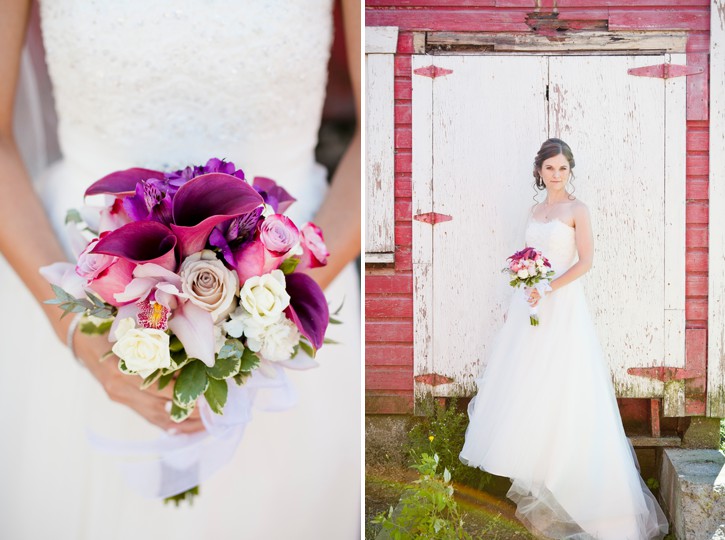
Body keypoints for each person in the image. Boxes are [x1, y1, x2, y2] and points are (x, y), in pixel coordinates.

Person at [0, 1, 360, 538]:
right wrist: (79, 335)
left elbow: (384, 128)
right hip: (73, 271)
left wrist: (265, 312)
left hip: (290, 273)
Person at [459, 139, 669, 539]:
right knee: (529, 386)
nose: (556, 175)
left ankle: (587, 495)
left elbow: (586, 260)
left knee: (565, 386)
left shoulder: (578, 210)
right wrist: (523, 289)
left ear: (570, 171)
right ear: (539, 171)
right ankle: (540, 470)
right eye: (550, 168)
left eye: (563, 169)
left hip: (562, 305)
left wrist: (549, 287)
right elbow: (527, 255)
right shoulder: (535, 210)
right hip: (530, 304)